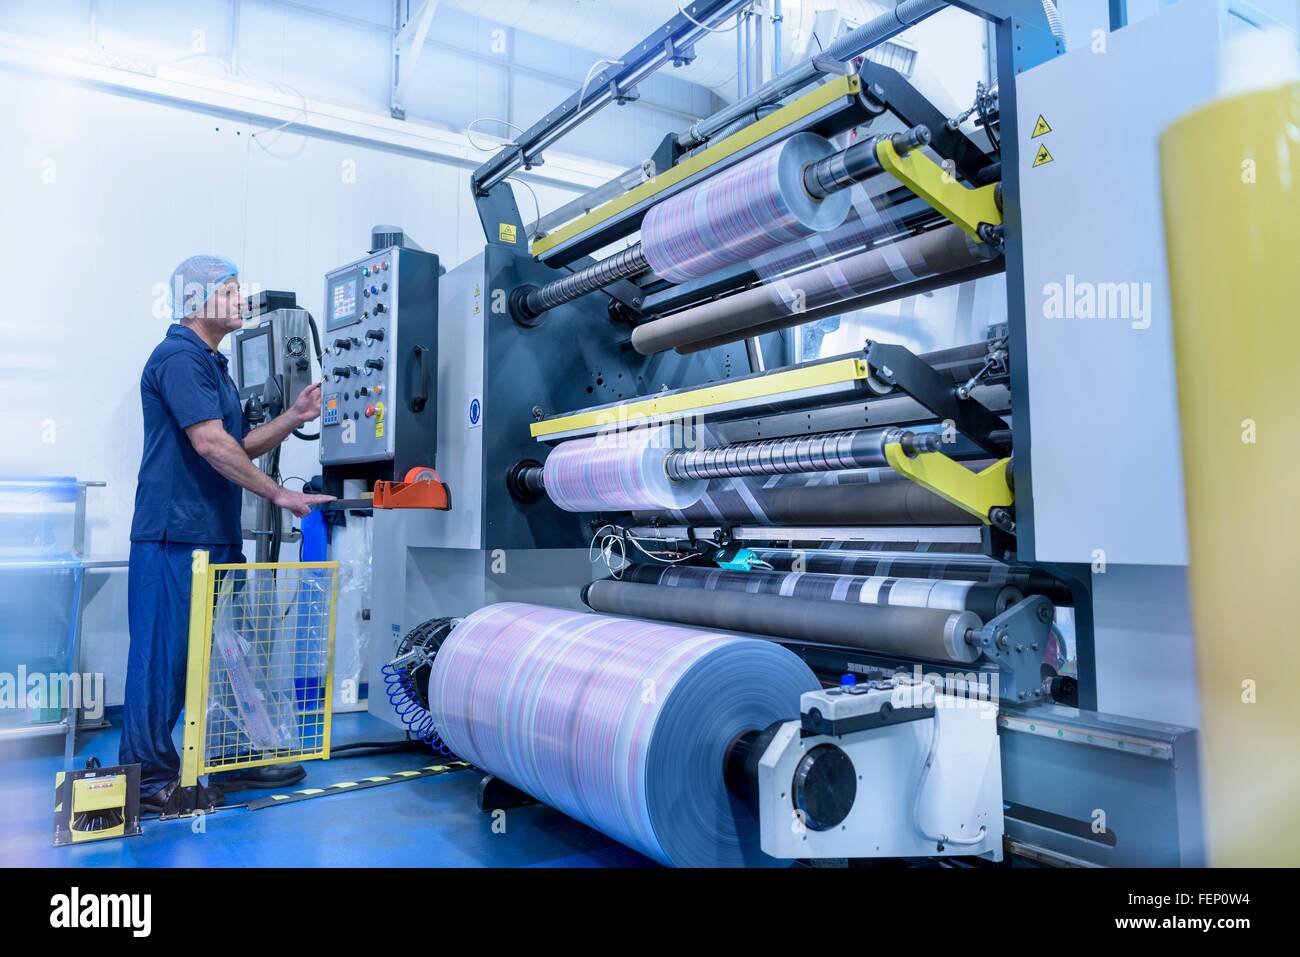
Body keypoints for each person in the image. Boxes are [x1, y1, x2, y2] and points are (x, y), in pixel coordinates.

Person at [122, 255, 334, 814]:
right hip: (173, 536)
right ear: (197, 301)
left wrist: (293, 416)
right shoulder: (178, 357)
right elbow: (211, 445)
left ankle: (185, 765)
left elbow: (235, 444)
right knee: (161, 663)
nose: (243, 300)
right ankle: (145, 784)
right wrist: (280, 494)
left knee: (194, 662)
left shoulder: (214, 366)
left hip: (208, 536)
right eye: (232, 291)